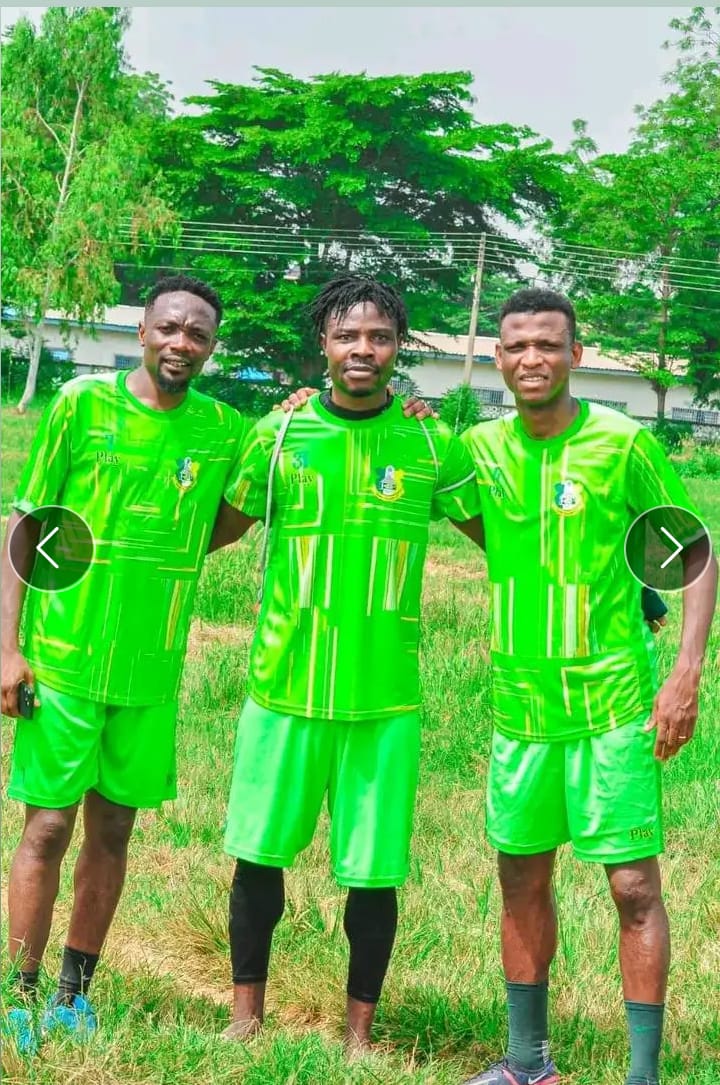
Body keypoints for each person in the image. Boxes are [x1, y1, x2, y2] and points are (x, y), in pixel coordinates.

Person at [0, 274, 330, 1052]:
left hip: (151, 671)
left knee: (114, 831)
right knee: (47, 827)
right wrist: (6, 647)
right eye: (171, 327)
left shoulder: (222, 428)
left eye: (198, 334)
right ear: (143, 330)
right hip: (63, 661)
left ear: (213, 348)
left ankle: (74, 994)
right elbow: (24, 524)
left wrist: (300, 409)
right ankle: (18, 993)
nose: (183, 342)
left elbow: (237, 509)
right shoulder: (81, 404)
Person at [216, 274, 484, 1055]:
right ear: (323, 345)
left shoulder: (431, 443)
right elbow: (214, 528)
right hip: (283, 686)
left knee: (373, 873)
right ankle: (244, 1018)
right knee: (258, 856)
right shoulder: (278, 434)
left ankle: (358, 1037)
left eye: (378, 336)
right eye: (346, 335)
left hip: (383, 698)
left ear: (398, 347)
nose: (362, 349)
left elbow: (503, 540)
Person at [459, 289, 717, 1085]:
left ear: (575, 353)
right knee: (520, 877)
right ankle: (526, 1063)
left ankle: (643, 1075)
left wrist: (685, 673)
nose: (531, 358)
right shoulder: (476, 449)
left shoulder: (622, 442)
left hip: (614, 703)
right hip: (522, 707)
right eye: (516, 346)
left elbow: (696, 552)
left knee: (633, 886)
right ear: (498, 358)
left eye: (547, 344)